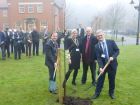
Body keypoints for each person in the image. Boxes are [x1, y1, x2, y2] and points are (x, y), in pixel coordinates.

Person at [91, 29, 119, 99]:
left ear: (103, 35)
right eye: (98, 36)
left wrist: (113, 57)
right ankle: (97, 93)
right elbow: (98, 58)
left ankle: (111, 93)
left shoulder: (111, 42)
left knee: (112, 80)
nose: (100, 37)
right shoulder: (96, 46)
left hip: (112, 65)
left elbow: (117, 50)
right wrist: (100, 67)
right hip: (103, 66)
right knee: (100, 80)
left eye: (101, 35)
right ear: (97, 37)